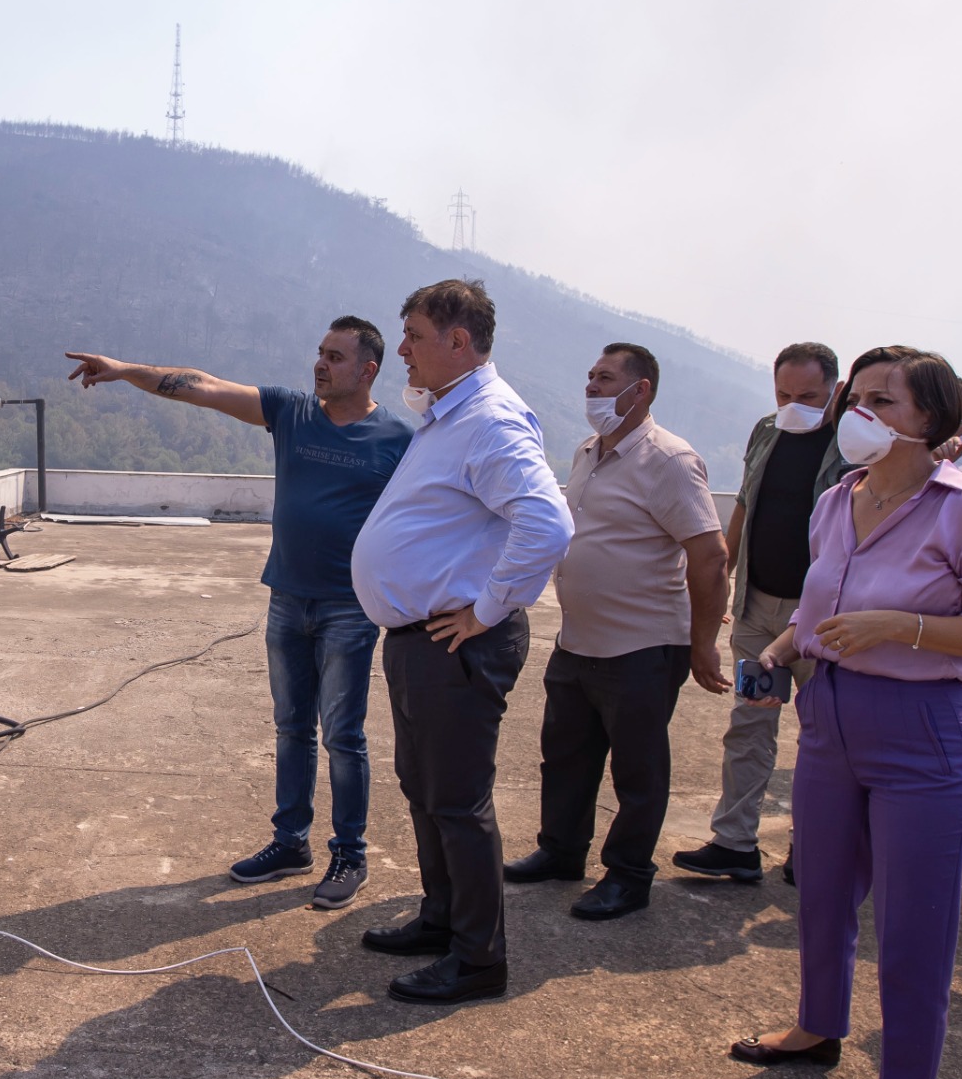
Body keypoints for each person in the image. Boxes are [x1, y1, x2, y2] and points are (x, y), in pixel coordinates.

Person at [727, 346, 962, 1079]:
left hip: (926, 733)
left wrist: (907, 626)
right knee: (821, 893)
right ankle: (815, 1026)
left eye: (880, 401)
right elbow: (823, 614)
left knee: (913, 934)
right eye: (855, 400)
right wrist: (781, 654)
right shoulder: (838, 501)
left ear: (932, 420)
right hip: (831, 718)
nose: (859, 415)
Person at [65, 321, 413, 909]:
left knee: (344, 737)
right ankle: (290, 843)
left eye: (335, 357)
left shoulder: (400, 438)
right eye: (319, 354)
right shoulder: (291, 412)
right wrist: (124, 370)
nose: (320, 365)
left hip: (349, 610)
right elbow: (200, 385)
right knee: (291, 728)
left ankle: (349, 854)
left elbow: (430, 518)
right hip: (286, 597)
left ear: (368, 370)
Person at [348, 278, 573, 1004]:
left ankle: (479, 960)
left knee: (457, 801)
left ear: (459, 341)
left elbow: (548, 524)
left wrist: (487, 608)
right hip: (421, 642)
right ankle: (443, 919)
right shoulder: (452, 415)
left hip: (454, 644)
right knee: (425, 789)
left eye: (413, 335)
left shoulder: (491, 421)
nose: (403, 349)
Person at [510, 342, 729, 918]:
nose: (591, 388)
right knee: (565, 758)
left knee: (637, 770)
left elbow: (709, 557)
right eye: (589, 377)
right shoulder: (588, 450)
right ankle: (560, 852)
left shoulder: (670, 460)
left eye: (605, 379)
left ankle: (628, 876)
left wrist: (703, 645)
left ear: (641, 390)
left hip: (643, 646)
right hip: (579, 641)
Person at [676, 343, 845, 884]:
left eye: (809, 396)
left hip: (821, 619)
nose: (794, 406)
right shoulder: (767, 432)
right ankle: (735, 842)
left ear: (836, 391)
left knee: (824, 737)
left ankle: (814, 847)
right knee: (750, 724)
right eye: (783, 395)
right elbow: (745, 504)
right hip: (758, 612)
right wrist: (724, 578)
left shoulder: (853, 446)